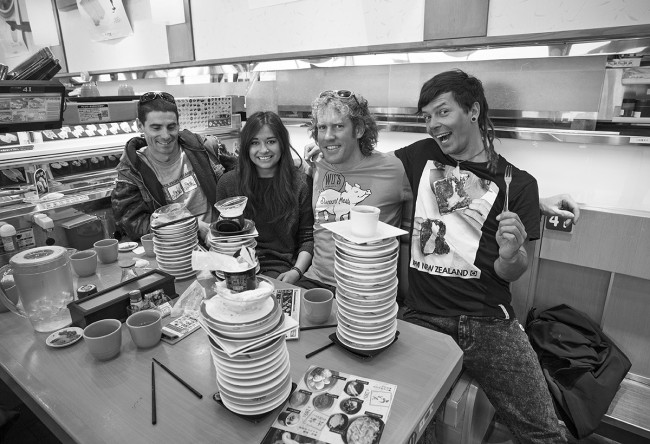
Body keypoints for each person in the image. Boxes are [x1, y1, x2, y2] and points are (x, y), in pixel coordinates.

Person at [393, 69, 567, 443]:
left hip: (489, 322)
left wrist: (511, 252)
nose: (432, 125)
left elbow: (514, 270)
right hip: (424, 316)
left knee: (545, 433)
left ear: (472, 111)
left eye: (442, 112)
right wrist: (323, 158)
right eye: (426, 117)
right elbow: (369, 171)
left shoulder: (518, 184)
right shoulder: (420, 157)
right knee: (403, 425)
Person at [298, 90, 413, 290]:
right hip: (314, 280)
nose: (327, 136)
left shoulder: (395, 169)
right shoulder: (319, 165)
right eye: (322, 127)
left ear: (359, 129)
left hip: (366, 291)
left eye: (338, 126)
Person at [111, 91, 237, 241]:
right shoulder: (130, 172)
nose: (165, 135)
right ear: (140, 125)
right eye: (156, 128)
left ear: (178, 123)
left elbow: (243, 179)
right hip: (175, 252)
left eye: (171, 127)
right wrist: (191, 227)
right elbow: (133, 225)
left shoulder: (206, 148)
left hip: (223, 241)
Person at [215, 111, 313, 284]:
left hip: (283, 271)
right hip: (236, 269)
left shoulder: (301, 184)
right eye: (255, 143)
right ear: (245, 147)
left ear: (282, 144)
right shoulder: (228, 183)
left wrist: (296, 271)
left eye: (271, 141)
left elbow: (307, 238)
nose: (263, 150)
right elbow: (223, 237)